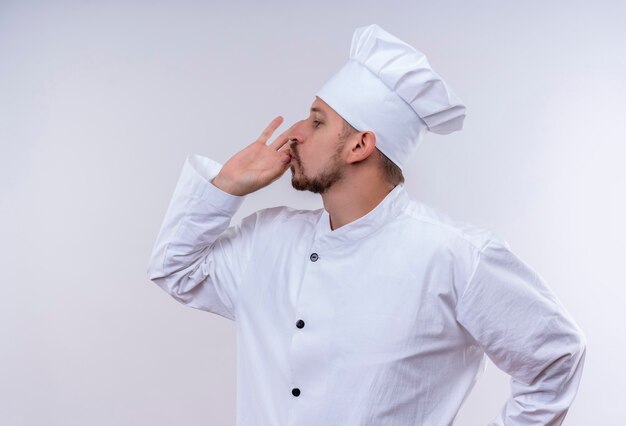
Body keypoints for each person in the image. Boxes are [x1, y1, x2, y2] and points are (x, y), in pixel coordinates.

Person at [146, 24, 586, 425]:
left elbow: (555, 355)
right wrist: (226, 185)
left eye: (317, 121)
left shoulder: (455, 256)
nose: (295, 132)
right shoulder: (268, 238)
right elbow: (176, 270)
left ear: (360, 145)